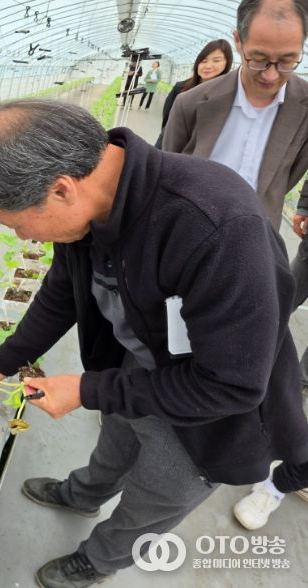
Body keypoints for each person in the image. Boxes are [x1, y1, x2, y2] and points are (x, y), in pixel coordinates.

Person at [0, 99, 308, 587]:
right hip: (137, 372)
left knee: (154, 498)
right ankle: (83, 494)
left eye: (16, 224)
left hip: (211, 420)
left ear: (60, 190)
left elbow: (231, 387)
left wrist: (88, 390)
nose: (23, 239)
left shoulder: (214, 229)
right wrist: (5, 363)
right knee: (116, 441)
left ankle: (98, 560)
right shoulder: (90, 209)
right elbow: (63, 291)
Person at [163, 0, 308, 528]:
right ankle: (161, 411)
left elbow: (289, 174)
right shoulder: (196, 102)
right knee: (174, 331)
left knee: (249, 353)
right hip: (183, 246)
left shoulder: (306, 106)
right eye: (260, 59)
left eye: (288, 61)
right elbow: (165, 170)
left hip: (255, 252)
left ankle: (248, 454)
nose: (272, 75)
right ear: (238, 43)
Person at [155, 39, 233, 147]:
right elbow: (167, 120)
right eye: (204, 61)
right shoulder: (180, 88)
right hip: (170, 143)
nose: (208, 66)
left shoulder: (227, 95)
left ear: (227, 63)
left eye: (216, 60)